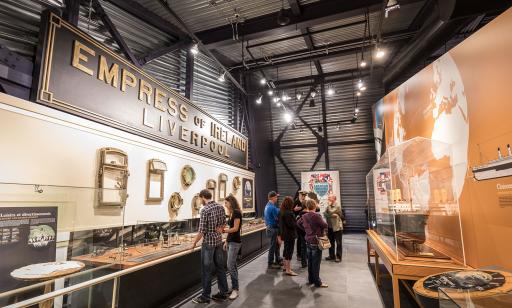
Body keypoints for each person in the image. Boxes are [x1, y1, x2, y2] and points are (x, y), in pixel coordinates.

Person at [191, 189, 229, 304]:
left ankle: (205, 296)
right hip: (218, 241)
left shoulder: (204, 210)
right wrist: (218, 231)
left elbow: (202, 231)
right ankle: (223, 293)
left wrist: (193, 243)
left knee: (206, 270)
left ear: (203, 197)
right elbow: (223, 224)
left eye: (200, 199)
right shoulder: (220, 207)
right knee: (220, 267)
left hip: (208, 244)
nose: (200, 201)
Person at [297, 199, 329, 288]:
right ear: (315, 206)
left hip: (308, 240)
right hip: (316, 241)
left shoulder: (304, 216)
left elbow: (298, 223)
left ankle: (311, 279)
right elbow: (325, 225)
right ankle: (317, 282)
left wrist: (307, 231)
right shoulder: (317, 216)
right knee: (316, 263)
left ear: (307, 206)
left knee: (310, 262)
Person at [222, 195, 242, 300]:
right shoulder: (231, 213)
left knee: (230, 265)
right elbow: (231, 228)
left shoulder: (237, 212)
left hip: (235, 242)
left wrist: (223, 231)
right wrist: (226, 240)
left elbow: (235, 228)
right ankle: (235, 287)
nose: (225, 205)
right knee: (233, 265)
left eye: (226, 203)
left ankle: (235, 289)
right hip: (230, 242)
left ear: (231, 202)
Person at [278, 196, 298, 276]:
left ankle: (285, 267)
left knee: (286, 250)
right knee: (289, 251)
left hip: (285, 234)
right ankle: (288, 270)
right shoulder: (289, 213)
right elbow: (292, 225)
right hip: (290, 235)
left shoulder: (281, 211)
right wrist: (297, 220)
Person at [264, 191, 282, 269]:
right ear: (272, 198)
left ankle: (277, 259)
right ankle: (270, 263)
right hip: (273, 228)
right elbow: (277, 218)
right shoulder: (272, 207)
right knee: (272, 246)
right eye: (275, 197)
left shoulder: (268, 206)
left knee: (276, 245)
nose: (277, 198)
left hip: (270, 227)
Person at [324, 194, 343, 262]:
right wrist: (330, 215)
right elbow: (324, 214)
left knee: (338, 243)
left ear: (334, 199)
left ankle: (338, 257)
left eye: (330, 197)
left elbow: (331, 212)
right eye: (328, 197)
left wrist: (329, 214)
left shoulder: (337, 206)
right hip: (330, 226)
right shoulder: (328, 206)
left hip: (337, 227)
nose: (328, 198)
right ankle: (331, 256)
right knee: (331, 242)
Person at [294, 191, 308, 267]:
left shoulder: (305, 201)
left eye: (305, 195)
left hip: (305, 223)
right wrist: (295, 209)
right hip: (298, 222)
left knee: (304, 241)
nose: (304, 196)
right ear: (300, 195)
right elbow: (292, 210)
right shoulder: (296, 201)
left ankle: (304, 255)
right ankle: (299, 254)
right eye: (303, 195)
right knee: (299, 239)